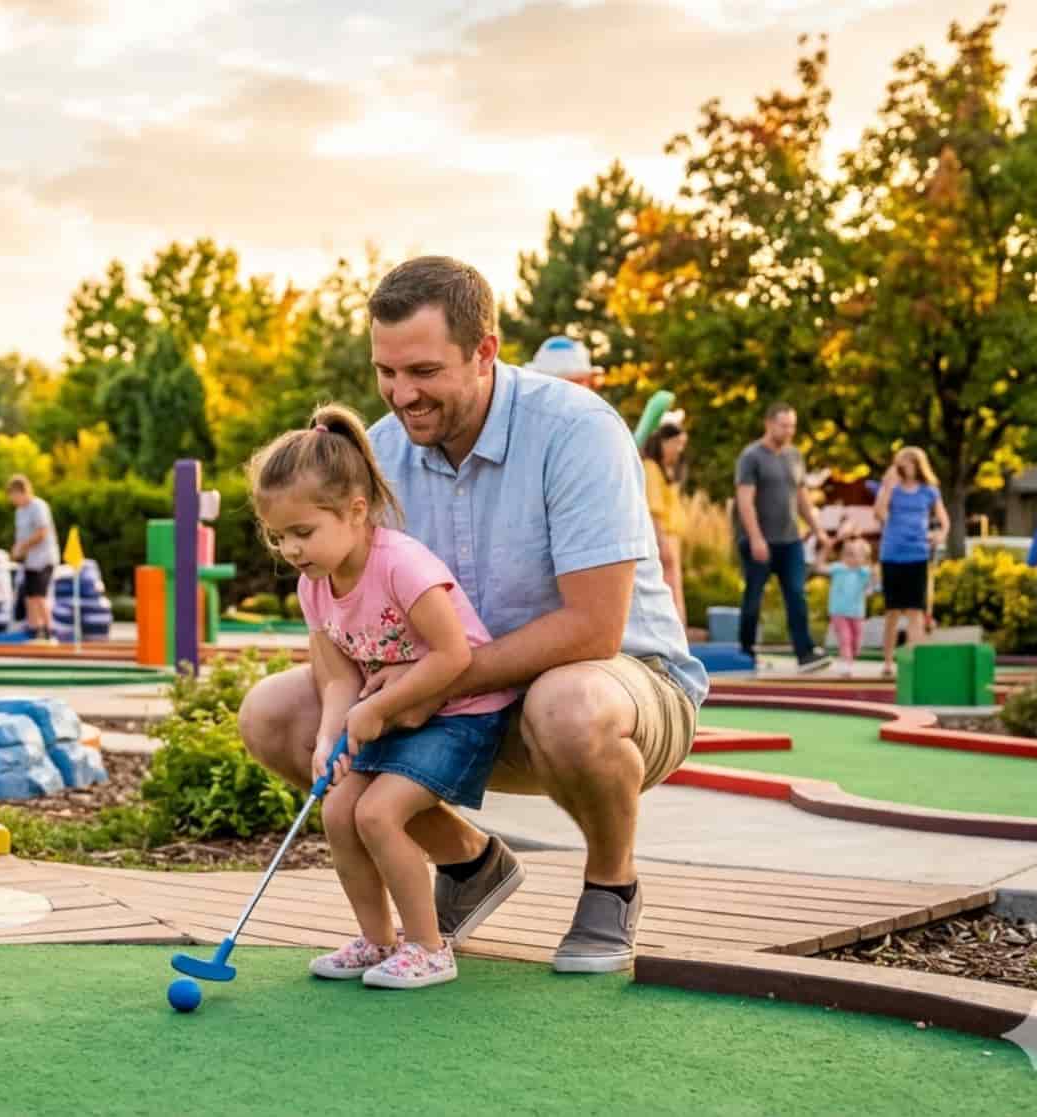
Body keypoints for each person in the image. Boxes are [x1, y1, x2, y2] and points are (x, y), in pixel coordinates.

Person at [238, 256, 706, 974]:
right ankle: (470, 863)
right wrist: (356, 704)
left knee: (566, 703)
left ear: (485, 351)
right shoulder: (376, 454)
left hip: (618, 687)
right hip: (452, 702)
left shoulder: (577, 430)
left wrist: (419, 685)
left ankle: (611, 884)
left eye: (424, 371)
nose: (403, 394)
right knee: (273, 713)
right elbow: (341, 619)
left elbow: (594, 629)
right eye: (386, 372)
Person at [251, 403, 518, 990]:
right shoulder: (315, 585)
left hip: (462, 713)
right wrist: (329, 735)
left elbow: (455, 656)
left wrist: (375, 710)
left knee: (377, 813)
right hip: (400, 713)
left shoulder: (400, 565)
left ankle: (429, 947)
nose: (291, 550)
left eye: (303, 533)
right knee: (337, 811)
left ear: (355, 511)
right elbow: (338, 677)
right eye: (279, 537)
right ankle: (377, 940)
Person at [734, 404, 833, 672]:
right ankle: (746, 652)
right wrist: (756, 538)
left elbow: (802, 497)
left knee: (797, 594)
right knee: (753, 598)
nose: (789, 431)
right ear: (768, 423)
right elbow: (745, 501)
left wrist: (818, 530)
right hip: (759, 541)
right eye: (784, 425)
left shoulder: (795, 456)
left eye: (792, 426)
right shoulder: (751, 457)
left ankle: (805, 653)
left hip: (790, 541)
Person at [873, 446, 949, 673]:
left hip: (917, 554)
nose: (905, 466)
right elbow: (879, 514)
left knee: (916, 611)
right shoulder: (891, 490)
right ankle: (888, 662)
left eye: (909, 462)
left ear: (918, 465)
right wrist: (887, 487)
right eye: (902, 462)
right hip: (892, 554)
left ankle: (914, 663)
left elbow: (944, 521)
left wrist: (939, 535)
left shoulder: (929, 491)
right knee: (893, 611)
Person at [642, 423, 689, 625]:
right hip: (662, 536)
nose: (679, 449)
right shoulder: (651, 468)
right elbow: (654, 509)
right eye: (676, 443)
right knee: (669, 588)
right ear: (663, 442)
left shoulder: (666, 470)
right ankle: (673, 630)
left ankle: (680, 630)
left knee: (676, 588)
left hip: (672, 537)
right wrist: (662, 543)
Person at [6, 474, 59, 642]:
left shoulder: (38, 506)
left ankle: (49, 631)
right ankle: (35, 630)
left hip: (44, 559)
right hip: (29, 561)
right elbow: (21, 536)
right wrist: (16, 550)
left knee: (39, 596)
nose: (12, 499)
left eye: (13, 494)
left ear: (22, 491)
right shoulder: (19, 511)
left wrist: (23, 546)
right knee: (29, 597)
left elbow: (42, 532)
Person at [826, 537, 876, 677]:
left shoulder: (864, 572)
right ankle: (846, 664)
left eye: (857, 555)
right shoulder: (838, 568)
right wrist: (827, 547)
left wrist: (871, 580)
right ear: (843, 556)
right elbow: (819, 567)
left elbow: (872, 587)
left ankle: (849, 659)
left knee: (857, 641)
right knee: (845, 638)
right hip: (838, 611)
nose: (852, 558)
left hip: (857, 613)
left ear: (864, 558)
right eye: (848, 554)